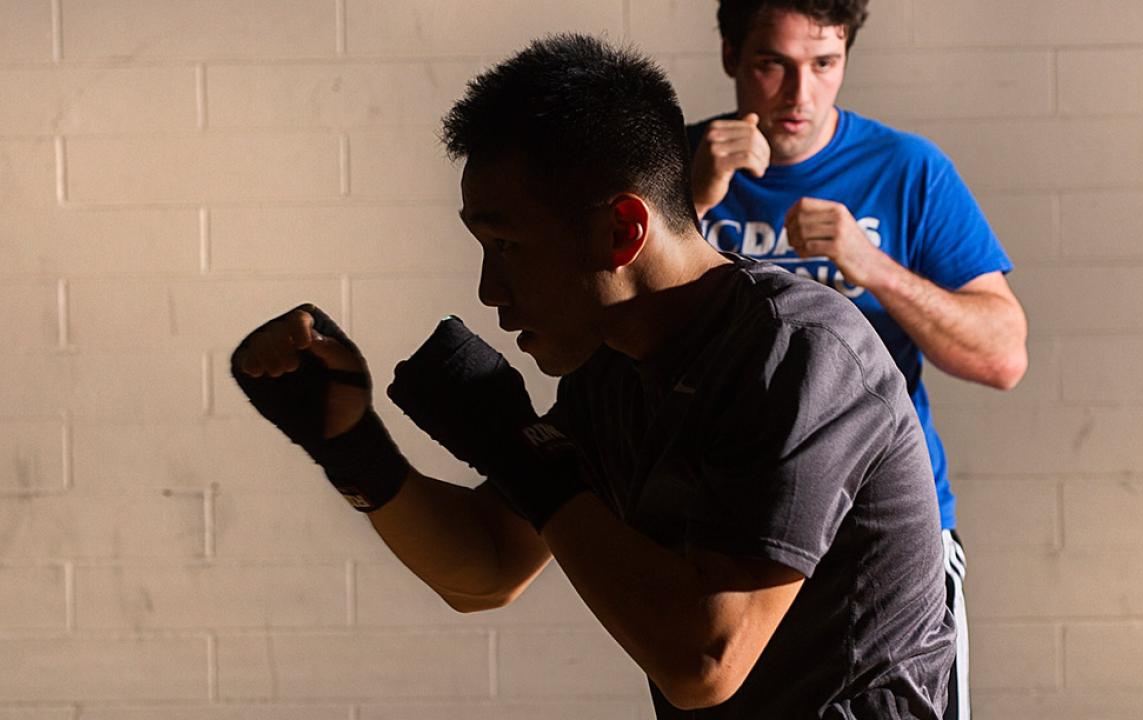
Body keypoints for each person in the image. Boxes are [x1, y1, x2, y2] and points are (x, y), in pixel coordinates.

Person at [231, 34, 953, 718]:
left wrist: (521, 454)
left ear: (622, 232)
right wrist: (352, 446)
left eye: (507, 245)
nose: (489, 289)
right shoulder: (615, 373)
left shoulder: (797, 353)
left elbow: (705, 661)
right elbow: (486, 567)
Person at [687, 2, 1031, 718]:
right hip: (728, 530)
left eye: (823, 65)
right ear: (730, 56)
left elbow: (1003, 355)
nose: (798, 95)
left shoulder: (906, 170)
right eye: (771, 64)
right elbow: (601, 331)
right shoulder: (672, 167)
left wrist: (871, 265)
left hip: (885, 535)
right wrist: (689, 203)